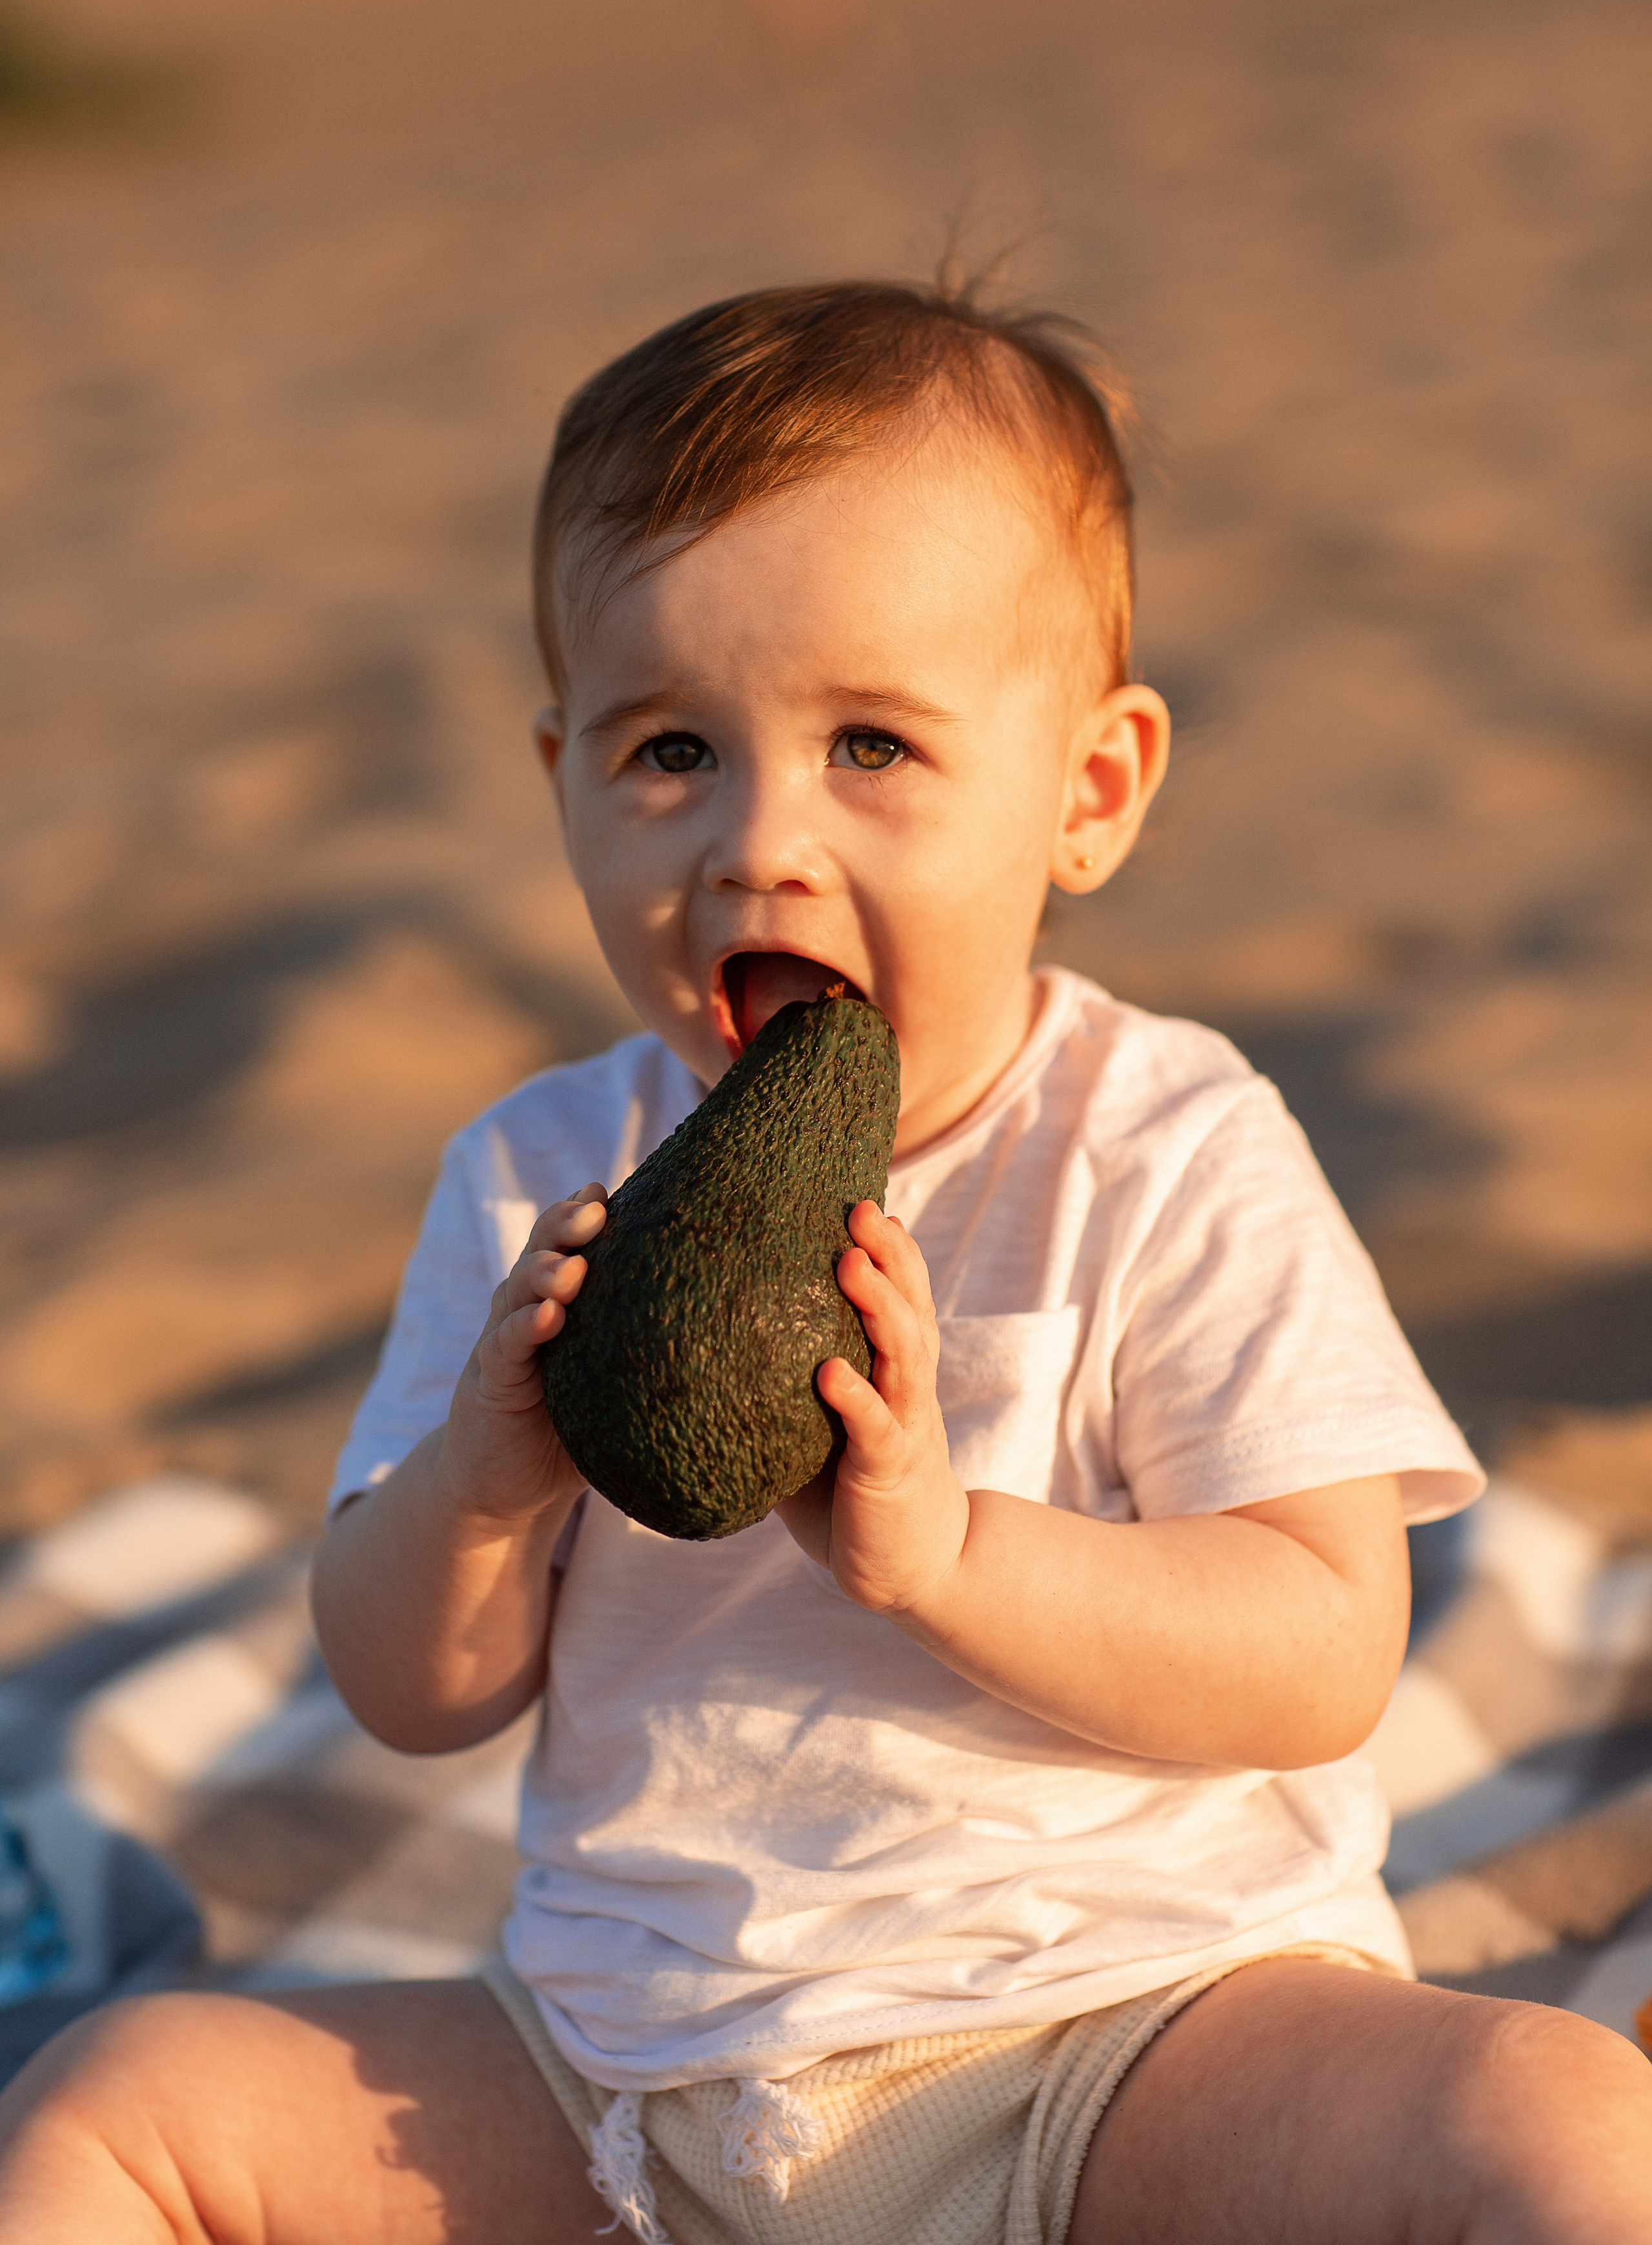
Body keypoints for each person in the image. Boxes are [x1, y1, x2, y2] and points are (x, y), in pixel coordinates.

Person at [2, 279, 1649, 2244]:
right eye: (670, 751)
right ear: (561, 778)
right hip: (619, 2079)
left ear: (1089, 793)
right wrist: (479, 1487)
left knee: (1549, 2111)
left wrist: (945, 1558)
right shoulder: (536, 1173)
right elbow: (409, 1693)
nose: (759, 843)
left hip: (1121, 2046)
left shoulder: (1164, 1143)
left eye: (871, 743)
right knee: (125, 2104)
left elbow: (1323, 1648)